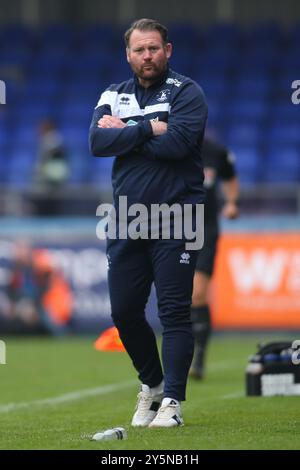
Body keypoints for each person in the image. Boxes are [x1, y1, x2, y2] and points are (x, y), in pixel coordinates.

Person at [89, 19, 207, 428]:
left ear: (167, 50)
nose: (147, 56)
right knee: (123, 312)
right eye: (139, 50)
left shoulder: (187, 92)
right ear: (128, 55)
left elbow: (178, 144)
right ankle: (153, 386)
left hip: (179, 216)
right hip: (127, 220)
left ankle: (172, 402)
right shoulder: (113, 93)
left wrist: (127, 133)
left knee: (174, 313)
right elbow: (97, 142)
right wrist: (148, 128)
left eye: (154, 48)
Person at [189, 136, 240, 379]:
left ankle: (198, 357)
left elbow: (230, 178)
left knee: (197, 293)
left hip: (206, 229)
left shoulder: (216, 151)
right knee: (178, 296)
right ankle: (180, 354)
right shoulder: (169, 143)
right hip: (173, 226)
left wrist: (231, 202)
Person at [7, 241, 73, 335]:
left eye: (20, 250)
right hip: (29, 305)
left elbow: (44, 289)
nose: (17, 254)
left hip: (48, 305)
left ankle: (64, 334)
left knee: (50, 323)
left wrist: (33, 307)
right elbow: (12, 291)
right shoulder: (17, 269)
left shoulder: (40, 263)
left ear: (27, 251)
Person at [34, 119, 69, 215]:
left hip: (52, 179)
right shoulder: (47, 141)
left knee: (51, 203)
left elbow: (54, 164)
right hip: (48, 179)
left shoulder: (54, 141)